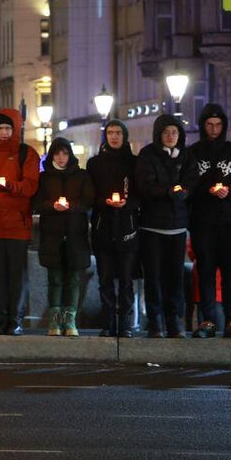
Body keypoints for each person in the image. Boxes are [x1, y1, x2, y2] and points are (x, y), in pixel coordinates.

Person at [182, 103, 231, 339]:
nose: (213, 129)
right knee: (205, 270)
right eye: (209, 125)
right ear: (203, 126)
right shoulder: (193, 153)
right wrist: (206, 190)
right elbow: (188, 185)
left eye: (218, 124)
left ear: (224, 125)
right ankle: (208, 320)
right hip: (203, 219)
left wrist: (230, 191)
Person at [0, 108, 40, 335]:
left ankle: (15, 318)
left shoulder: (27, 153)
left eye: (7, 128)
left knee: (16, 274)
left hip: (17, 225)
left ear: (15, 128)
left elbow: (31, 185)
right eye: (0, 129)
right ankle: (2, 317)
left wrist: (11, 186)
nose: (3, 132)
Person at [134, 114, 190, 338]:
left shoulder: (186, 156)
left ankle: (173, 320)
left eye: (174, 132)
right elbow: (145, 186)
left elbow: (191, 180)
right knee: (153, 276)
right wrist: (169, 191)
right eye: (166, 132)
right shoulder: (148, 155)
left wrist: (183, 191)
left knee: (175, 276)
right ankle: (155, 321)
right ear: (159, 134)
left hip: (177, 226)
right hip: (152, 226)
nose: (170, 136)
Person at [32, 137, 94, 337]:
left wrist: (71, 206)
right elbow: (36, 203)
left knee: (74, 279)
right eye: (57, 154)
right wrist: (52, 206)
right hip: (52, 236)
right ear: (52, 156)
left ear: (70, 155)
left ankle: (70, 322)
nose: (61, 158)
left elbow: (88, 201)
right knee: (55, 279)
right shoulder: (45, 178)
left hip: (76, 236)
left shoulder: (81, 176)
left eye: (65, 153)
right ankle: (54, 323)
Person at [86, 118, 140, 337]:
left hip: (127, 226)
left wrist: (129, 203)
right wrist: (104, 202)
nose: (115, 136)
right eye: (110, 133)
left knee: (126, 279)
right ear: (105, 136)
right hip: (103, 225)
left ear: (124, 136)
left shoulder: (135, 162)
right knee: (105, 278)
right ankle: (108, 322)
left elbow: (140, 193)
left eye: (118, 132)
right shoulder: (95, 163)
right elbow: (90, 193)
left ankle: (125, 323)